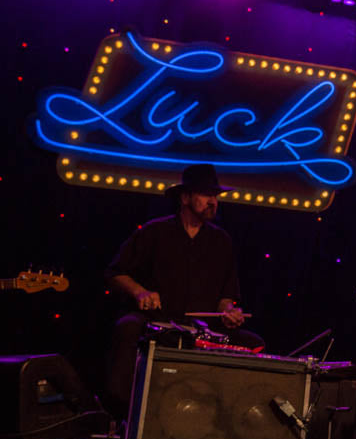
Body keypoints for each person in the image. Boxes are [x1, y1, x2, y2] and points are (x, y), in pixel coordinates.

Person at [103, 163, 263, 415]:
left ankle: (233, 416)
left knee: (253, 343)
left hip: (203, 328)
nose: (213, 201)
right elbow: (115, 273)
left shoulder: (221, 241)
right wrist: (140, 292)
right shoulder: (155, 231)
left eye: (215, 196)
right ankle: (121, 410)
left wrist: (229, 312)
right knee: (127, 327)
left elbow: (226, 297)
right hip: (157, 321)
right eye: (206, 195)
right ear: (185, 197)